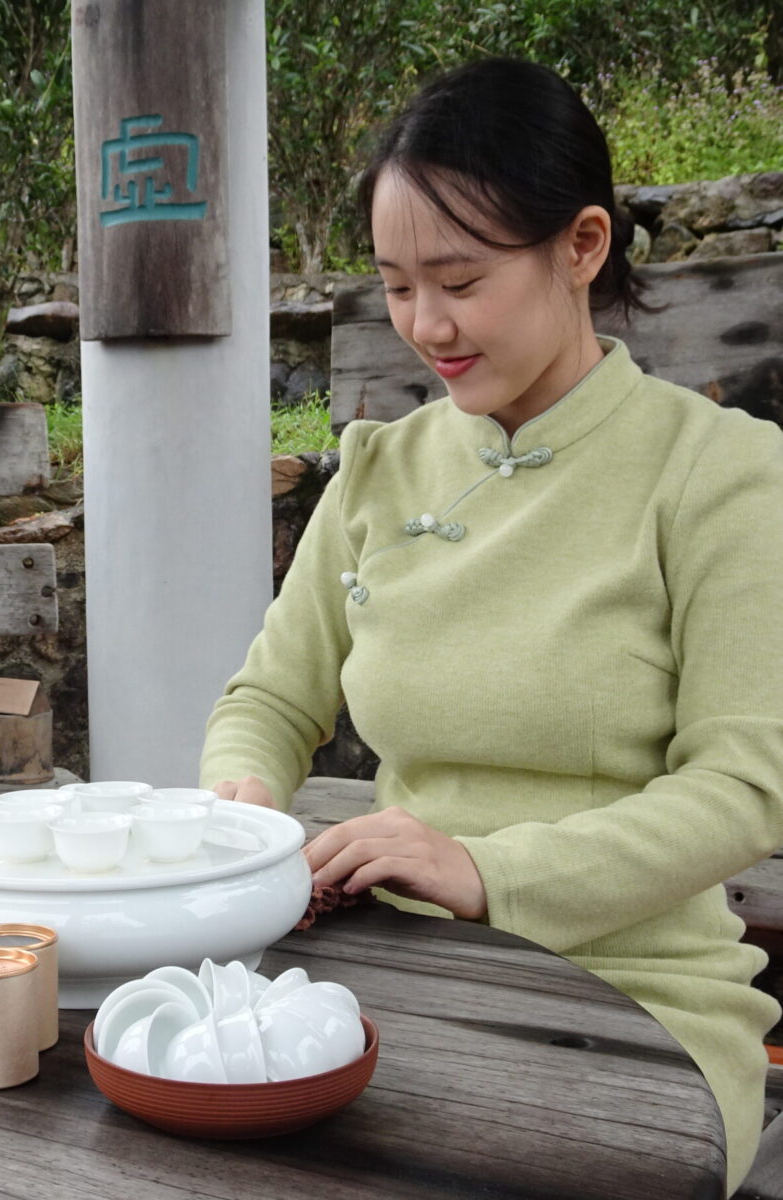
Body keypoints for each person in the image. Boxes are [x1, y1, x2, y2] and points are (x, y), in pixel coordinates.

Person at [199, 57, 783, 1195]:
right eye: (396, 285)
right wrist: (246, 813)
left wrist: (479, 869)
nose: (425, 324)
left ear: (580, 246)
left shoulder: (716, 473)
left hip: (633, 1000)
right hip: (393, 973)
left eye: (458, 280)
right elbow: (269, 701)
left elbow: (743, 787)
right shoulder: (377, 468)